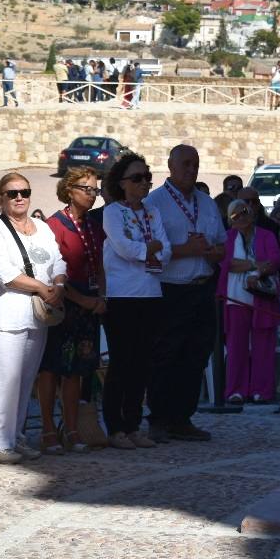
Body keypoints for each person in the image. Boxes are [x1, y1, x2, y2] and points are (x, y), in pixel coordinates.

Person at [0, 173, 67, 463]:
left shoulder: (41, 227)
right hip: (7, 314)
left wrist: (59, 284)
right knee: (2, 380)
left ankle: (15, 436)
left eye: (24, 192)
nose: (19, 197)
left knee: (25, 380)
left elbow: (58, 259)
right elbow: (4, 274)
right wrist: (43, 287)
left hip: (37, 316)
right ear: (1, 198)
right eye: (12, 193)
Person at [144, 145, 226, 442]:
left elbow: (221, 244)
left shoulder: (206, 203)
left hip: (201, 288)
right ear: (171, 166)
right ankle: (159, 418)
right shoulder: (154, 204)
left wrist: (213, 251)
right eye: (186, 164)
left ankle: (183, 417)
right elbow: (149, 251)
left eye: (196, 164)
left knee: (197, 354)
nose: (191, 170)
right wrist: (183, 250)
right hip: (170, 289)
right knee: (166, 355)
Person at [101, 155, 171, 451]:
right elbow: (124, 247)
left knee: (142, 364)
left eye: (146, 177)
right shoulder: (113, 212)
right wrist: (149, 249)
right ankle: (115, 427)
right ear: (122, 183)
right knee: (121, 363)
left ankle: (133, 424)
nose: (144, 183)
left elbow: (165, 248)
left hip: (151, 293)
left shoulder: (153, 211)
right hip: (122, 295)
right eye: (137, 178)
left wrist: (153, 250)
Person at [41, 168, 105, 455]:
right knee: (52, 368)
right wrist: (82, 300)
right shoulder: (54, 225)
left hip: (90, 303)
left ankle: (71, 426)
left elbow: (100, 262)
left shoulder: (93, 225)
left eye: (95, 189)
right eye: (86, 188)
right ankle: (47, 428)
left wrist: (101, 296)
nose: (92, 194)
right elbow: (53, 272)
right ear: (69, 190)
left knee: (77, 370)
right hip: (64, 303)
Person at [218, 199, 280, 404]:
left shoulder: (266, 235)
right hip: (235, 296)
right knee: (236, 345)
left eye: (244, 211)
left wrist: (254, 269)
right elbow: (227, 263)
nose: (241, 217)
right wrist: (255, 264)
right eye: (235, 215)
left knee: (263, 344)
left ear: (252, 212)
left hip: (262, 295)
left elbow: (274, 261)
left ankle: (262, 390)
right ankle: (236, 389)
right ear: (230, 220)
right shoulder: (227, 238)